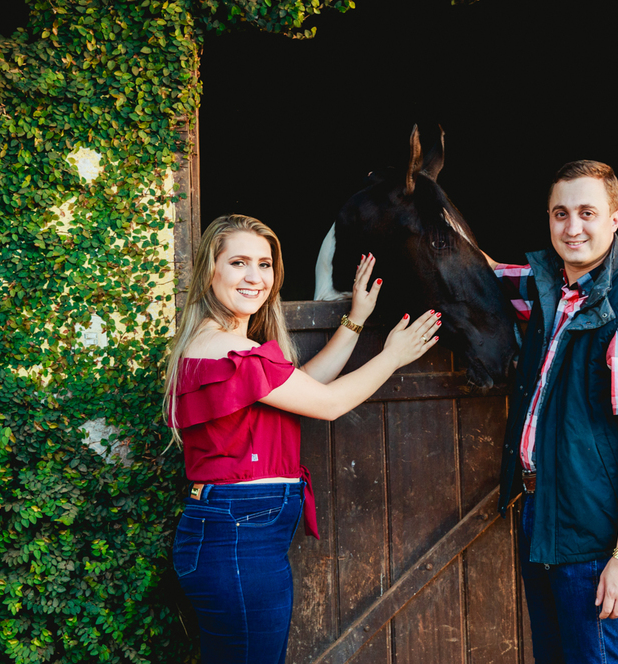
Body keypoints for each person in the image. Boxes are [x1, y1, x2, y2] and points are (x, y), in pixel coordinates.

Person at [162, 214, 441, 664]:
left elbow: (306, 385)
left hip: (238, 533)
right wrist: (393, 356)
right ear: (209, 270)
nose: (256, 277)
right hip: (238, 536)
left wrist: (354, 321)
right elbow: (328, 404)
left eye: (265, 264)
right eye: (238, 263)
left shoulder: (227, 345)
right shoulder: (227, 349)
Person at [486, 161, 618, 664]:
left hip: (593, 533)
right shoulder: (551, 292)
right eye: (560, 213)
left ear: (615, 219)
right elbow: (479, 274)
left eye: (587, 213)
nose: (572, 228)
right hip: (542, 514)